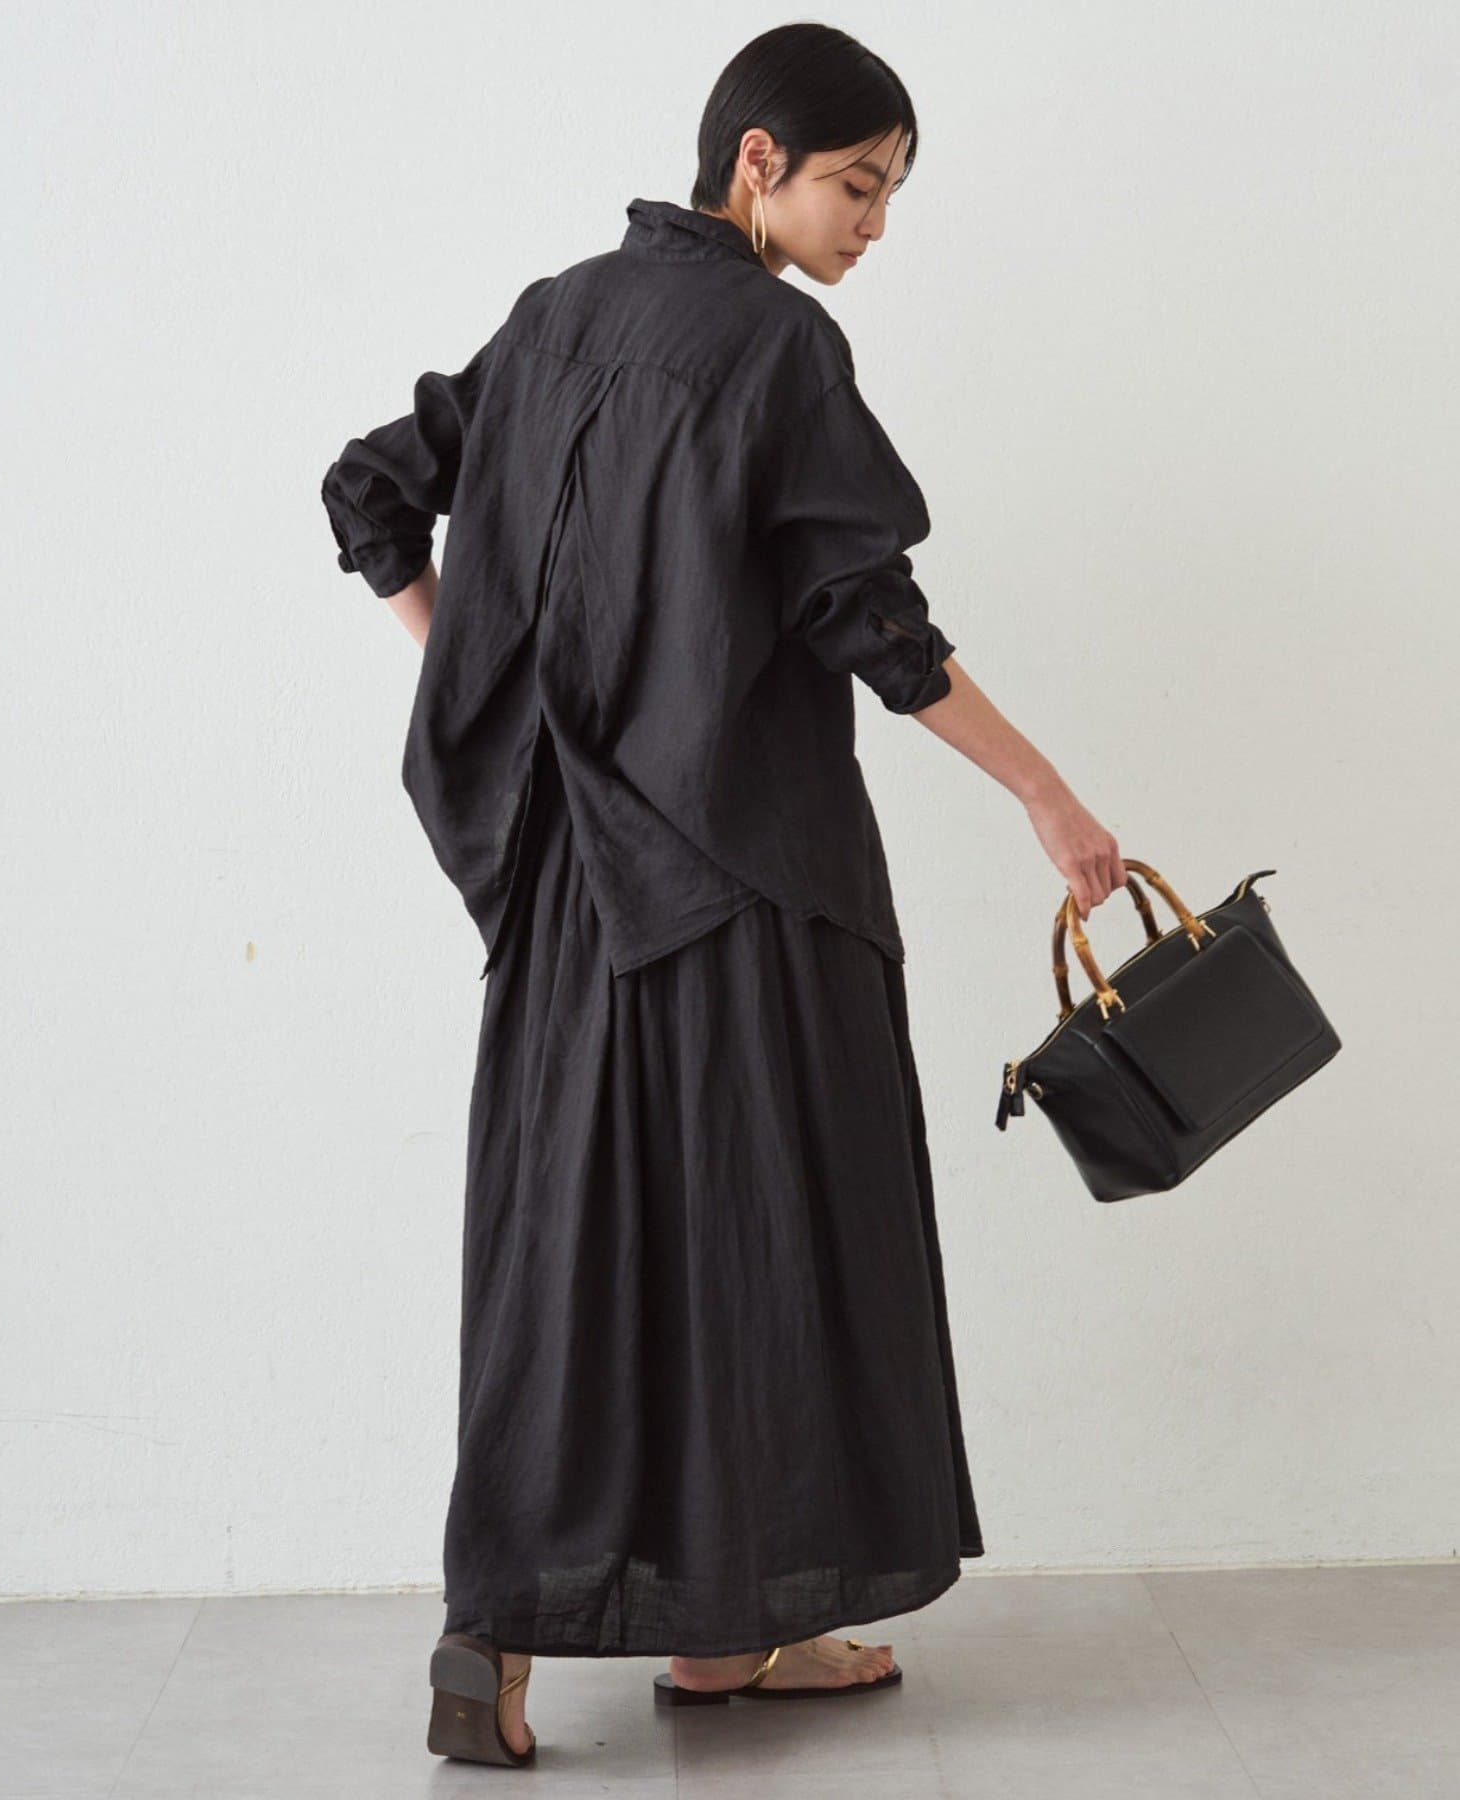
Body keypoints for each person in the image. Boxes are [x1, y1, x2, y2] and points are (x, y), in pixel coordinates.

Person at [320, 23, 1126, 1772]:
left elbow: (371, 491)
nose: (875, 226)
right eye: (857, 184)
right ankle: (724, 1620)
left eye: (892, 194)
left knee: (568, 1246)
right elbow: (869, 620)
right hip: (742, 883)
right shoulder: (776, 344)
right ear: (754, 161)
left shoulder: (553, 317)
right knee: (762, 1238)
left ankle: (562, 1633)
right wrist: (1046, 793)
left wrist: (481, 684)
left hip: (567, 900)